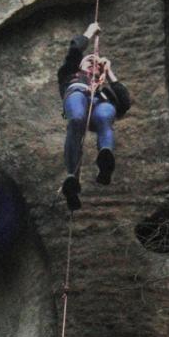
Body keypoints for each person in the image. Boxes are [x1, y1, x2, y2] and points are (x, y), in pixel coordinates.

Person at [57, 22, 131, 210]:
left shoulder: (104, 91)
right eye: (89, 61)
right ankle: (72, 179)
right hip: (77, 95)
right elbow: (75, 51)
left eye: (97, 64)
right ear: (80, 64)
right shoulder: (70, 73)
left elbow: (124, 103)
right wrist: (89, 32)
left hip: (98, 104)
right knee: (76, 119)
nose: (93, 63)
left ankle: (105, 160)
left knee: (106, 114)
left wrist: (109, 72)